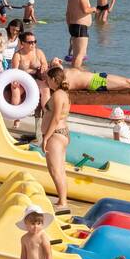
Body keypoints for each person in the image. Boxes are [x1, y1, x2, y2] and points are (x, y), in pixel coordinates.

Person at [41, 66, 72, 213]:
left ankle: (63, 202)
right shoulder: (62, 94)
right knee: (60, 170)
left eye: (48, 79)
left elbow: (56, 117)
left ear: (54, 79)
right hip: (61, 134)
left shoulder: (59, 95)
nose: (47, 81)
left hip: (56, 134)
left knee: (55, 170)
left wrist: (46, 137)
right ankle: (62, 200)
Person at [65, 0, 96, 67]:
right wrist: (94, 9)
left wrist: (69, 26)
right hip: (80, 27)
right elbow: (85, 10)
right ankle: (76, 72)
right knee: (81, 54)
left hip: (73, 26)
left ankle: (73, 71)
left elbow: (67, 14)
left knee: (75, 54)